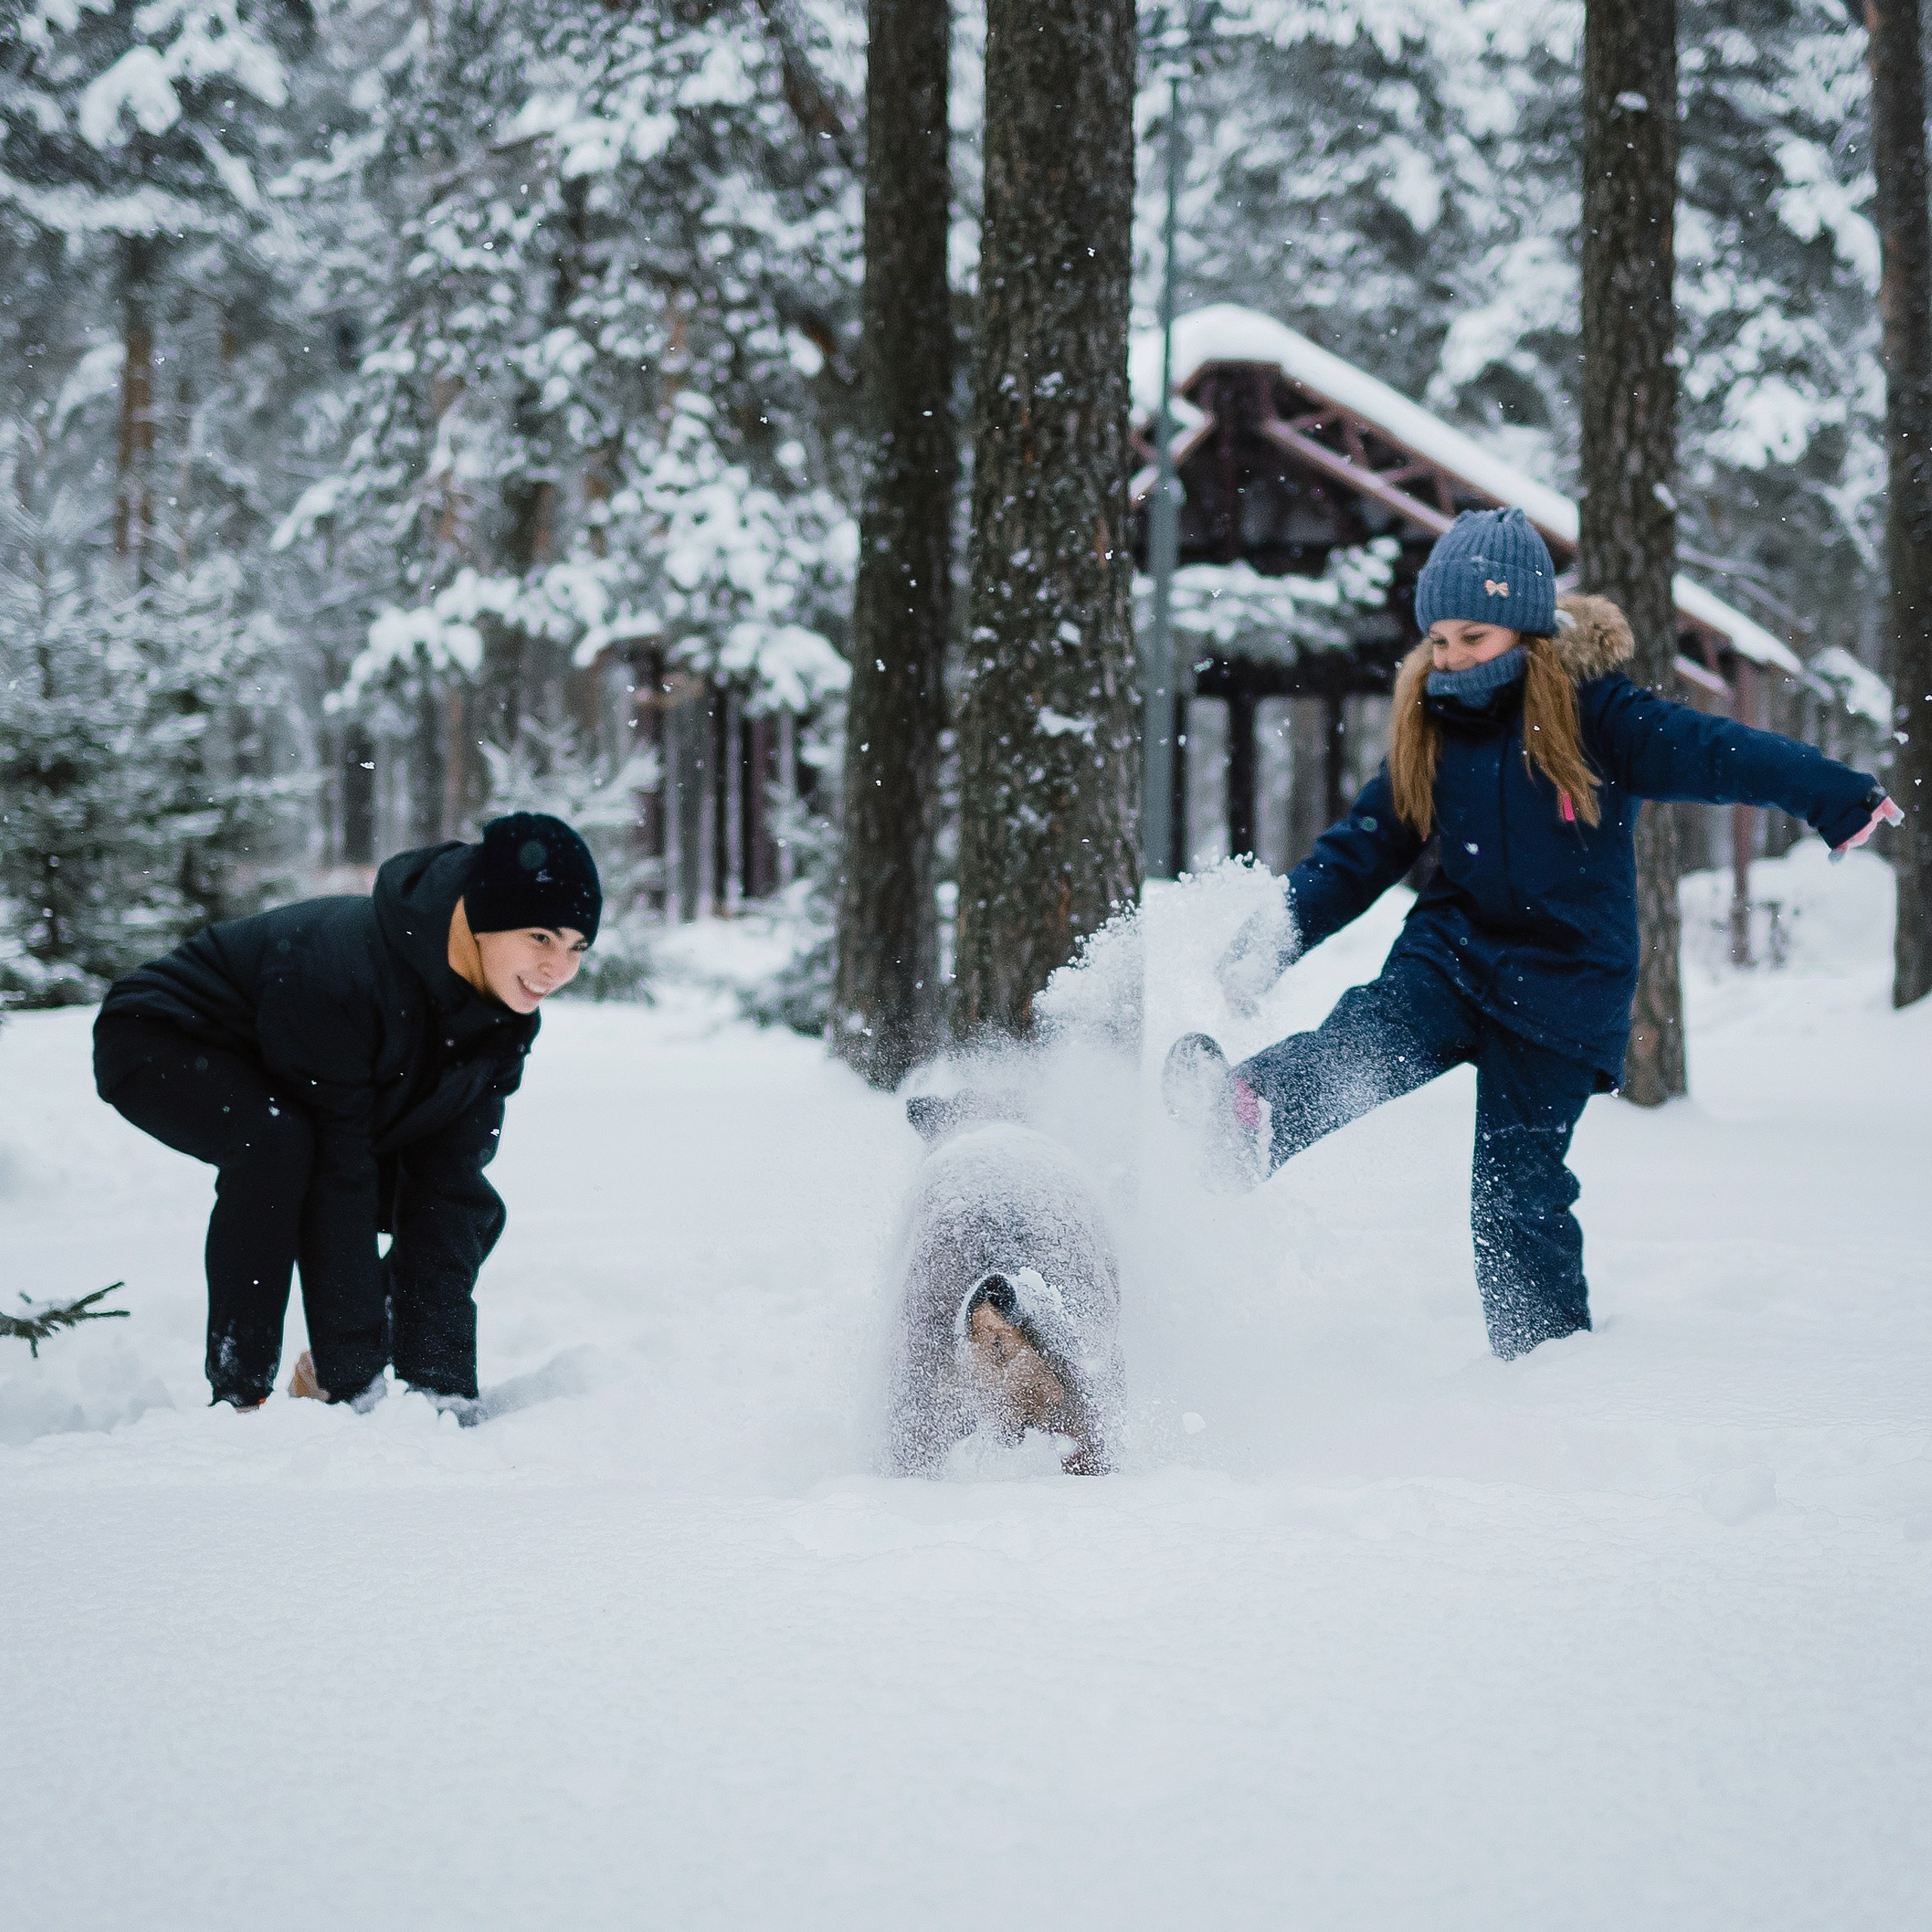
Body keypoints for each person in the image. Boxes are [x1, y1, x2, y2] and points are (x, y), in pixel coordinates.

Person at [1164, 507, 1900, 1358]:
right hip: (1452, 955)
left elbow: (1718, 751)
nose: (1446, 659)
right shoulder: (1431, 728)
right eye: (1435, 640)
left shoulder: (1599, 715)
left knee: (1514, 1191)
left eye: (1470, 636)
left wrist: (1831, 794)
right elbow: (1360, 851)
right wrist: (1273, 939)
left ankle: (1547, 1367)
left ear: (1525, 625)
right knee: (1366, 1036)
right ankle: (1247, 1119)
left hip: (1563, 986)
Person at [93, 812, 601, 1411]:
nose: (556, 970)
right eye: (541, 937)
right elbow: (341, 1178)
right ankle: (241, 1395)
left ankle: (356, 1364)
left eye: (576, 948)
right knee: (282, 1147)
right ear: (483, 917)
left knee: (462, 1209)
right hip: (165, 1037)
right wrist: (356, 1384)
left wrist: (441, 1389)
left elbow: (448, 1180)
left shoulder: (501, 1026)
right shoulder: (342, 969)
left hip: (308, 1082)